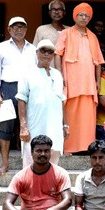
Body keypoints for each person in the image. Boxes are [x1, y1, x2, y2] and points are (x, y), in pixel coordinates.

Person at [55, 3, 105, 155]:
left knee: (87, 116)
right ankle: (69, 147)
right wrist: (59, 74)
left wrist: (97, 81)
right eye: (81, 15)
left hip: (88, 83)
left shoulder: (93, 36)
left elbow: (98, 62)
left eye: (87, 16)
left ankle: (87, 146)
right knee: (69, 113)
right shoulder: (65, 33)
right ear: (75, 16)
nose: (84, 18)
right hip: (71, 81)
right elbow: (58, 54)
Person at [0, 17, 37, 175]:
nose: (18, 30)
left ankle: (29, 164)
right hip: (8, 88)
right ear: (9, 30)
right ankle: (5, 164)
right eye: (14, 27)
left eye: (21, 27)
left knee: (29, 126)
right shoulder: (1, 47)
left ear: (26, 29)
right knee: (5, 128)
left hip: (29, 90)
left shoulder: (33, 49)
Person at [16, 39, 68, 167]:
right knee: (31, 157)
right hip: (34, 124)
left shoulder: (57, 74)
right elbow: (21, 100)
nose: (46, 54)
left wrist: (65, 125)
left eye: (50, 52)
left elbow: (61, 100)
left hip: (55, 126)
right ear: (37, 52)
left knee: (54, 157)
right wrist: (23, 127)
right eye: (43, 51)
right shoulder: (27, 73)